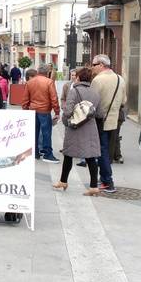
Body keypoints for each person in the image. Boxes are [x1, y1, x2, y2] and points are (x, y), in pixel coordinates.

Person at [53, 67, 102, 196]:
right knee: (91, 157)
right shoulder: (95, 93)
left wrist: (65, 120)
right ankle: (93, 187)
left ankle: (63, 181)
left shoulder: (74, 91)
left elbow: (68, 111)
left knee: (68, 155)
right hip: (90, 128)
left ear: (79, 77)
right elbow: (100, 113)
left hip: (75, 128)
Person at [90, 54, 126, 193]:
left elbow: (92, 102)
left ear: (101, 65)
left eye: (93, 65)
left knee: (102, 151)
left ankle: (107, 181)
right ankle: (104, 178)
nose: (92, 68)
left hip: (100, 120)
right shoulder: (120, 79)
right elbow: (124, 100)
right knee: (107, 149)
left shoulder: (98, 80)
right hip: (113, 120)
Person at [22, 65, 60, 163]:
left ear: (38, 72)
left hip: (33, 110)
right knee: (46, 133)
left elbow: (25, 98)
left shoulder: (30, 82)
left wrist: (25, 109)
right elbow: (54, 98)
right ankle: (48, 154)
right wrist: (57, 112)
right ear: (47, 73)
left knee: (34, 132)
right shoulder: (49, 82)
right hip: (44, 111)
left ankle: (35, 152)